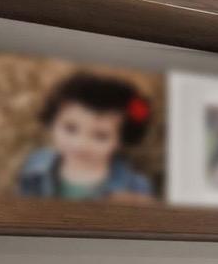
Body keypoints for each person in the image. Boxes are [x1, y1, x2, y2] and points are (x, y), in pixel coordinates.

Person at [15, 72, 158, 201]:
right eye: (70, 128)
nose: (81, 144)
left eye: (100, 136)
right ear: (52, 122)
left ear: (121, 139)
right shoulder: (35, 167)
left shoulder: (133, 186)